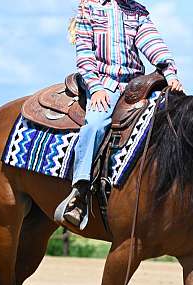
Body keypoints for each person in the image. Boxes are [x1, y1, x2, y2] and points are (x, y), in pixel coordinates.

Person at [61, 0, 184, 228]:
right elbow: (85, 54)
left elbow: (152, 42)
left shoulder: (136, 11)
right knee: (95, 124)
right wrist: (96, 88)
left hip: (136, 84)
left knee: (171, 117)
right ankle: (80, 191)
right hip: (103, 82)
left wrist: (169, 73)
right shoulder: (90, 9)